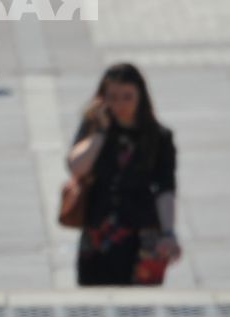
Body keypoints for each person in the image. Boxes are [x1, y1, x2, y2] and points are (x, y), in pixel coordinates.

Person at [65, 64, 180, 287]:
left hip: (142, 237)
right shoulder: (94, 129)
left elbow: (165, 188)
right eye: (112, 97)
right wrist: (101, 132)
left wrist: (168, 233)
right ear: (101, 99)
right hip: (98, 235)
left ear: (140, 97)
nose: (119, 105)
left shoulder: (159, 137)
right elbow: (75, 167)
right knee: (94, 306)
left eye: (127, 97)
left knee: (140, 307)